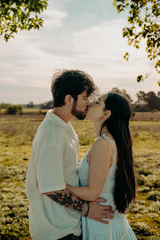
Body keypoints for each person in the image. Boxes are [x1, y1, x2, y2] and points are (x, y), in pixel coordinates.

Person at [26, 70, 114, 240]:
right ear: (68, 99)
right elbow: (51, 189)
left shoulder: (64, 126)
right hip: (56, 231)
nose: (88, 103)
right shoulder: (51, 136)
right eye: (84, 98)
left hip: (67, 225)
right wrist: (87, 210)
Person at [67, 92, 137, 240]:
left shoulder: (103, 144)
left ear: (106, 114)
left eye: (98, 102)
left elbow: (92, 193)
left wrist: (59, 186)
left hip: (104, 227)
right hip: (106, 222)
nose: (90, 103)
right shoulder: (108, 141)